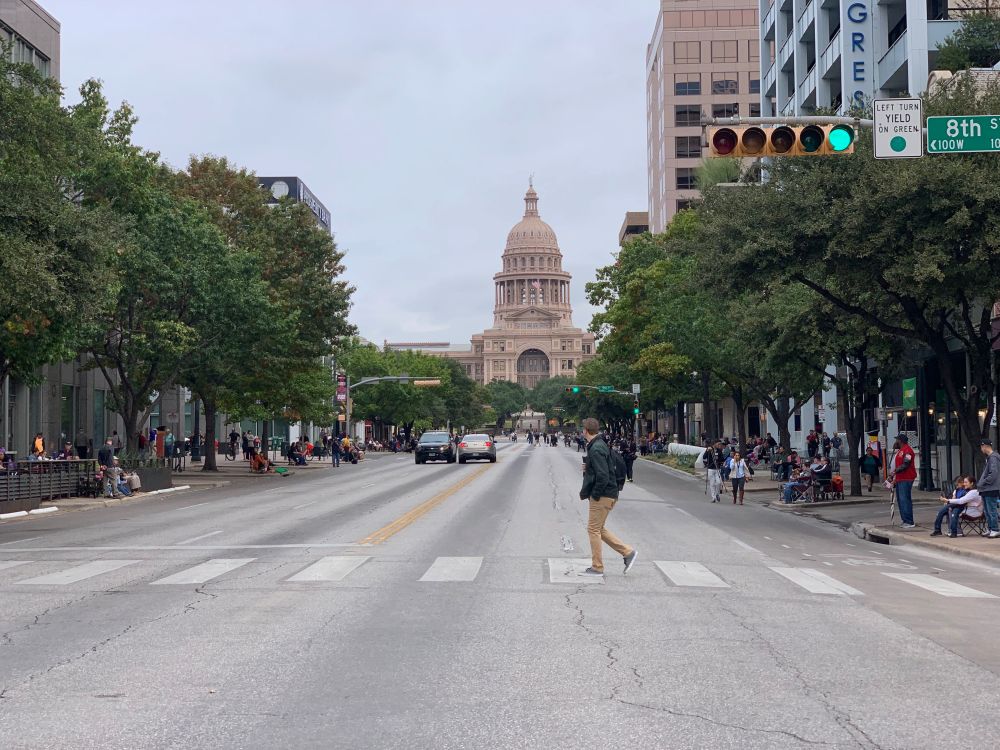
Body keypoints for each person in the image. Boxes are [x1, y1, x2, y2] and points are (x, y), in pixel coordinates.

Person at [578, 417, 637, 578]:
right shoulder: (600, 444)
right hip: (610, 493)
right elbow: (604, 468)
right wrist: (588, 467)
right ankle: (628, 552)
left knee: (593, 530)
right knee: (599, 529)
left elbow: (603, 476)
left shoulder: (596, 448)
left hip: (603, 495)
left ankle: (597, 567)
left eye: (582, 429)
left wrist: (595, 495)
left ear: (585, 431)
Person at [889, 434, 918, 528]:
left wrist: (895, 471)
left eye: (896, 440)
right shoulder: (901, 451)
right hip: (900, 478)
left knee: (905, 499)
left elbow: (906, 464)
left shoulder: (908, 451)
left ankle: (909, 521)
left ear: (900, 441)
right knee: (901, 500)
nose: (895, 442)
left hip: (906, 477)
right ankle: (905, 520)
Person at [976, 439, 1000, 538]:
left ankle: (995, 529)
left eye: (981, 447)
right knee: (987, 511)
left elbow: (993, 474)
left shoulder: (993, 458)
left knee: (991, 510)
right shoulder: (990, 458)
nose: (981, 449)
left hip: (991, 488)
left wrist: (983, 482)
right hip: (986, 489)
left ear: (985, 446)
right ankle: (991, 528)